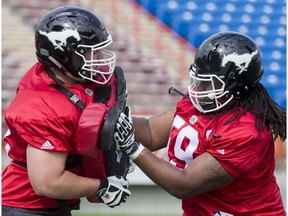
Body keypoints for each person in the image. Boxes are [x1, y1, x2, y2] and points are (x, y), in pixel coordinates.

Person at [114, 31, 286, 215]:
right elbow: (150, 133)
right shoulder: (203, 103)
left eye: (208, 84)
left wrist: (132, 148)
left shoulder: (246, 132)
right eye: (199, 80)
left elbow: (185, 184)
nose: (198, 89)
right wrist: (116, 119)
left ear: (236, 87)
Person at [2, 6, 131, 216]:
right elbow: (47, 182)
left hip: (51, 206)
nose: (100, 56)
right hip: (26, 207)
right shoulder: (43, 104)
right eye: (92, 51)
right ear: (66, 56)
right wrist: (102, 186)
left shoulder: (69, 80)